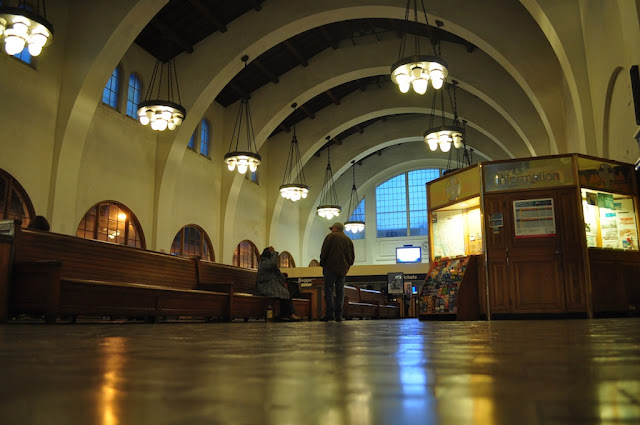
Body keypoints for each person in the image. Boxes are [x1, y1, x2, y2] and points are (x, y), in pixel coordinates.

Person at [319, 222, 355, 322]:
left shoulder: (330, 237)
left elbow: (324, 251)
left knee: (329, 291)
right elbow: (352, 257)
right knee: (340, 292)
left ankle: (330, 314)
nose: (331, 230)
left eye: (332, 228)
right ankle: (339, 315)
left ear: (335, 228)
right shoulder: (348, 240)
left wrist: (322, 263)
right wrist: (347, 265)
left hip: (330, 268)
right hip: (343, 270)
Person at [256, 246, 300, 321]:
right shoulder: (264, 262)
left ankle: (286, 314)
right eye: (272, 254)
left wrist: (283, 280)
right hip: (265, 286)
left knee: (286, 292)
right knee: (284, 293)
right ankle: (286, 315)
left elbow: (278, 274)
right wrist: (274, 253)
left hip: (271, 286)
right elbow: (273, 263)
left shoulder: (267, 262)